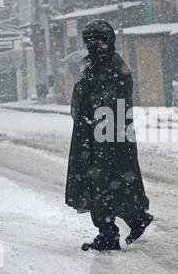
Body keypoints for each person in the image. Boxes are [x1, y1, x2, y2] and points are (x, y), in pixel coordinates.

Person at [65, 19, 153, 251]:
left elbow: (114, 103)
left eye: (99, 40)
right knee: (99, 186)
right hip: (91, 135)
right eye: (90, 40)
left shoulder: (115, 66)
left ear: (109, 41)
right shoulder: (92, 66)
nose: (94, 44)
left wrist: (96, 120)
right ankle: (112, 230)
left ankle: (121, 226)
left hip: (110, 137)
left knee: (108, 185)